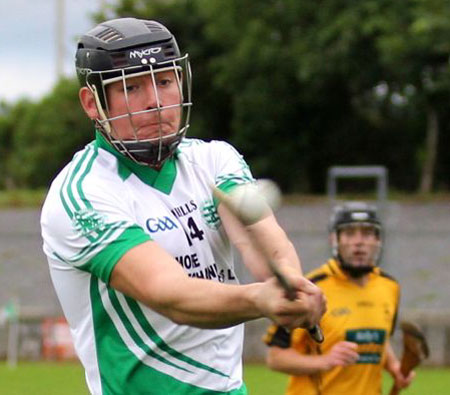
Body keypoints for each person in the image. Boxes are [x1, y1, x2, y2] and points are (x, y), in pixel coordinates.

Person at [40, 17, 325, 395]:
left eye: (165, 81)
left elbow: (260, 241)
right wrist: (260, 298)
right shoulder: (82, 196)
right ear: (93, 103)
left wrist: (288, 283)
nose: (155, 102)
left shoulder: (215, 160)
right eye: (132, 87)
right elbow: (169, 294)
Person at [264, 201, 415, 395]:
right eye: (350, 233)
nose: (359, 242)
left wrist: (393, 366)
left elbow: (380, 339)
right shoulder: (309, 288)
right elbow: (275, 358)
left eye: (367, 233)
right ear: (335, 240)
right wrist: (324, 361)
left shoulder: (390, 286)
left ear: (378, 240)